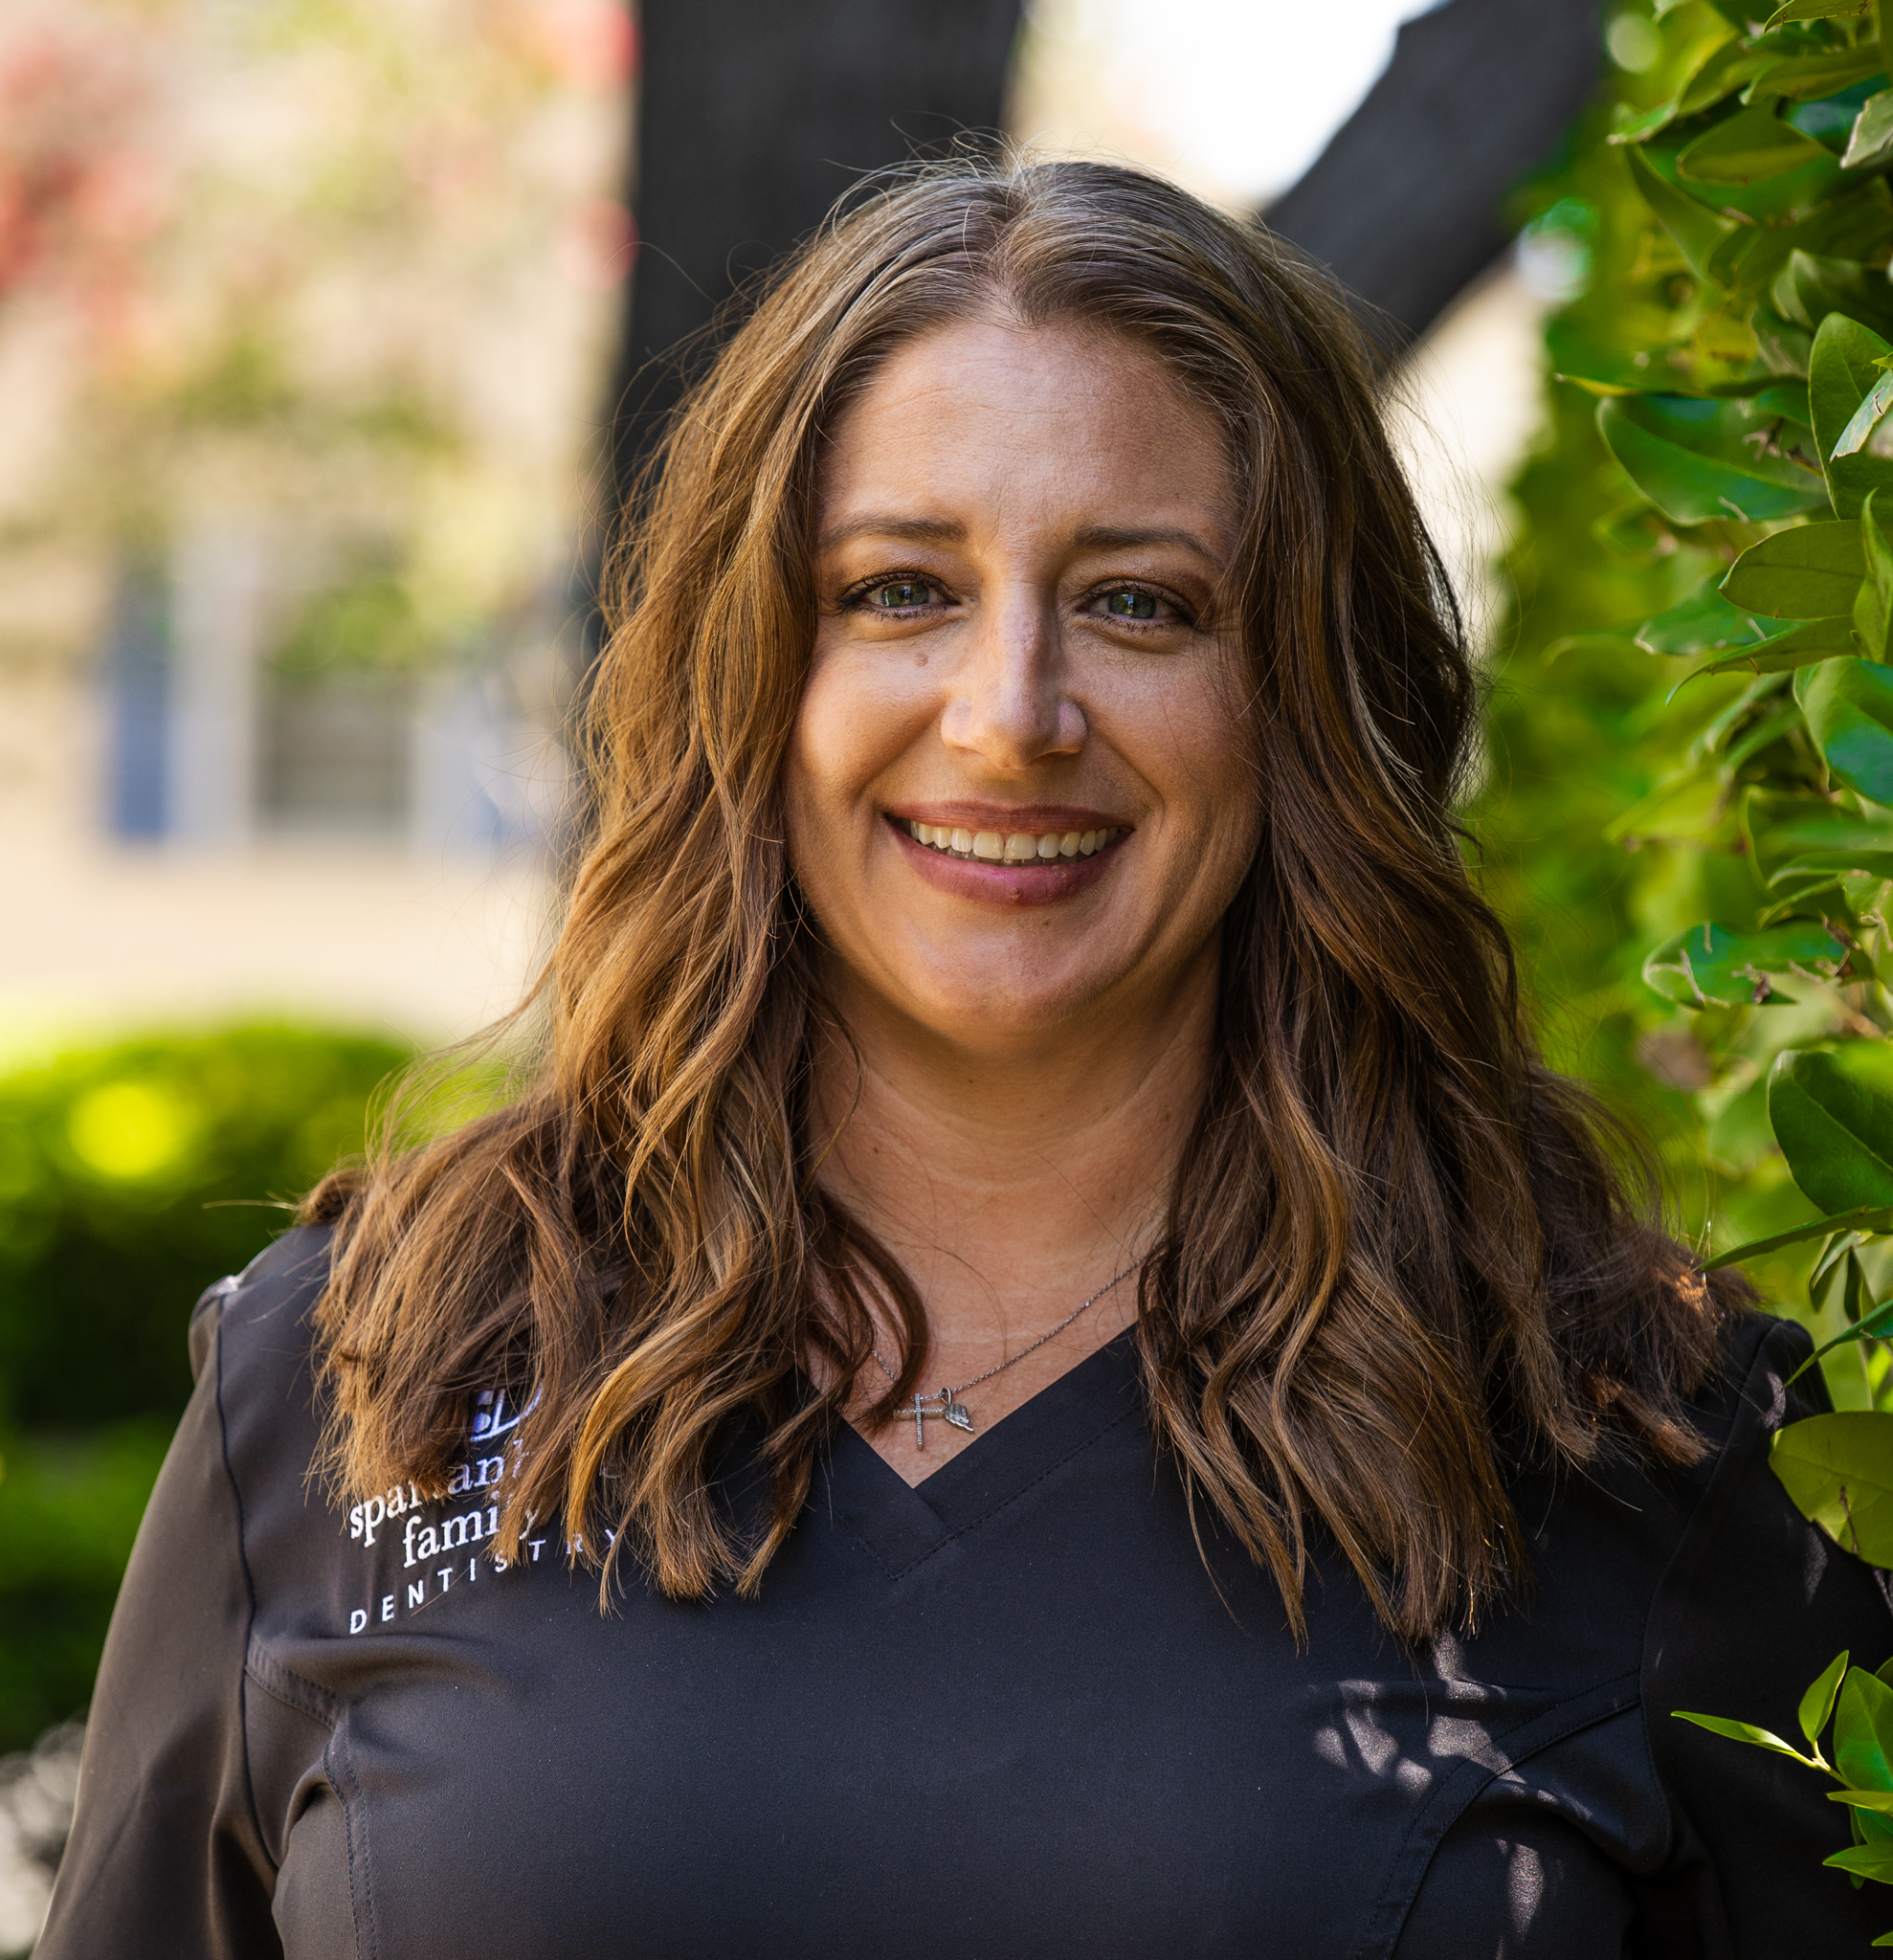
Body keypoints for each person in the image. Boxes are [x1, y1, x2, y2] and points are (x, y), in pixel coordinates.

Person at [38, 157, 1893, 1959]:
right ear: (750, 675)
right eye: (897, 590)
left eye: (1140, 601)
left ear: (1308, 702)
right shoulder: (360, 1378)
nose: (1009, 717)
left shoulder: (1631, 1442)